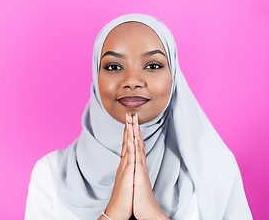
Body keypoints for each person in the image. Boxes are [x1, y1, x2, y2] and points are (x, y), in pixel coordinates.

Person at [24, 14, 252, 220]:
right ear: (96, 77)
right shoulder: (51, 176)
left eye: (153, 65)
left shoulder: (214, 169)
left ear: (174, 79)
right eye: (113, 67)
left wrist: (152, 214)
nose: (132, 80)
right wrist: (113, 213)